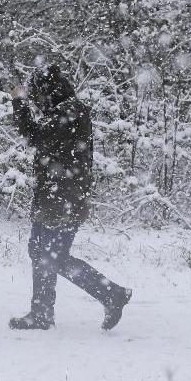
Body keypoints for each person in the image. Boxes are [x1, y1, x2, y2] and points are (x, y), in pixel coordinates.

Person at [8, 64, 132, 331]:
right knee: (40, 252)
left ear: (48, 91)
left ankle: (109, 294)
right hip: (54, 196)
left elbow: (34, 136)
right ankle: (43, 312)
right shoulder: (64, 111)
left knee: (52, 257)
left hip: (63, 198)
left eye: (37, 95)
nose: (36, 102)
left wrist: (19, 103)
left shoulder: (70, 113)